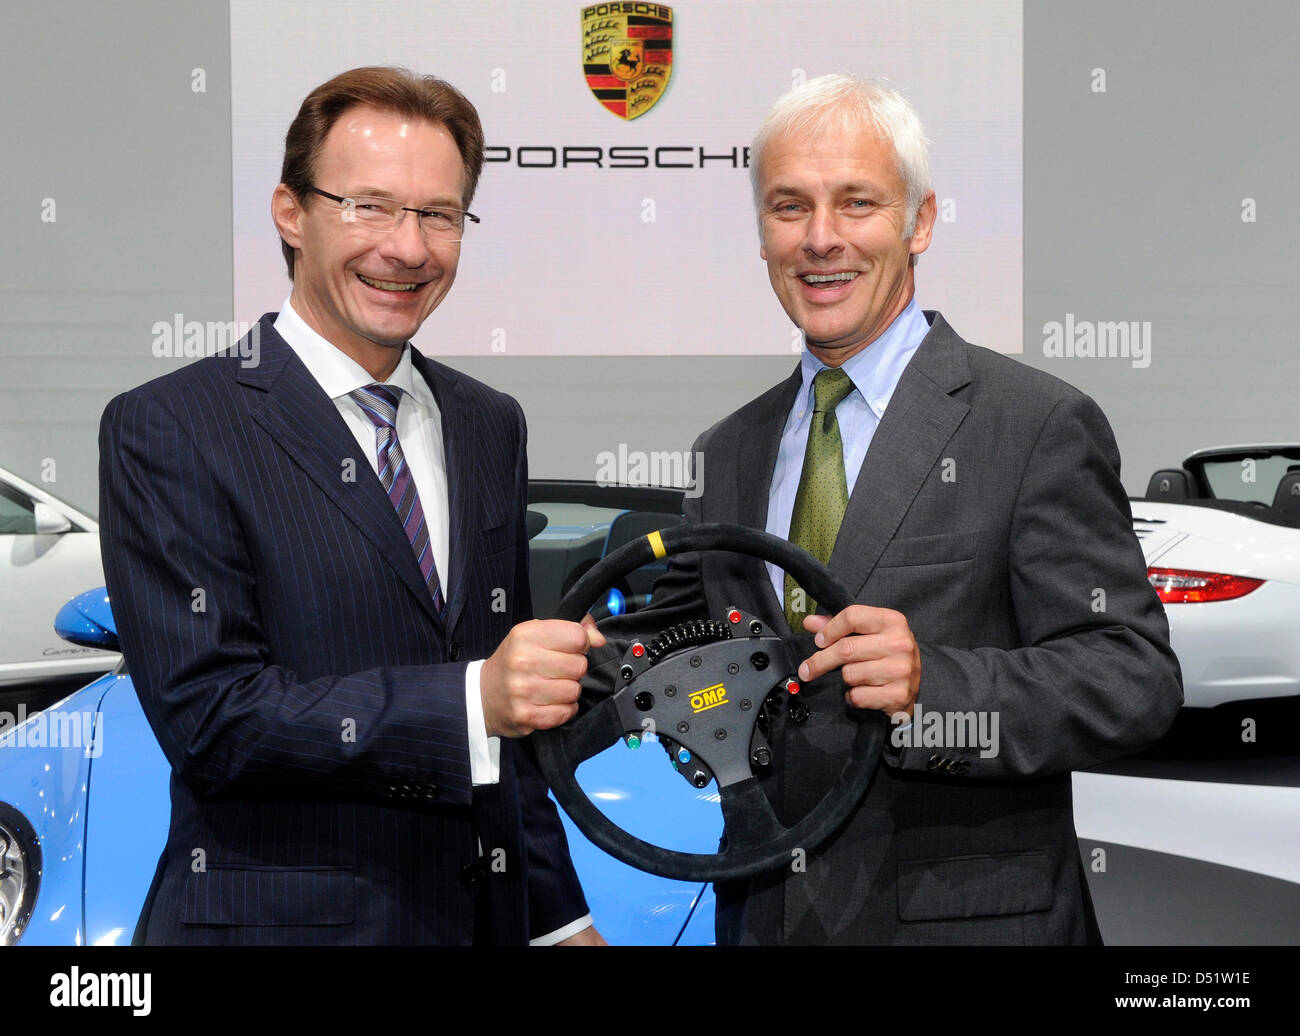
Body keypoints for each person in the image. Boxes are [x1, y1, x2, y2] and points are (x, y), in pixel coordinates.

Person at [588, 74, 1182, 944]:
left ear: (920, 222)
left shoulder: (1034, 424)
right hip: (768, 918)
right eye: (790, 207)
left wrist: (933, 686)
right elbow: (674, 645)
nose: (821, 239)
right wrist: (541, 675)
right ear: (762, 232)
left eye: (857, 203)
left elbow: (1134, 677)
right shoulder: (731, 448)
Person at [98, 66, 605, 945]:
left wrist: (559, 923)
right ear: (291, 213)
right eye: (369, 206)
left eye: (438, 215)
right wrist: (471, 699)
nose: (407, 248)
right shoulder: (170, 426)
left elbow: (510, 736)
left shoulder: (489, 425)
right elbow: (215, 722)